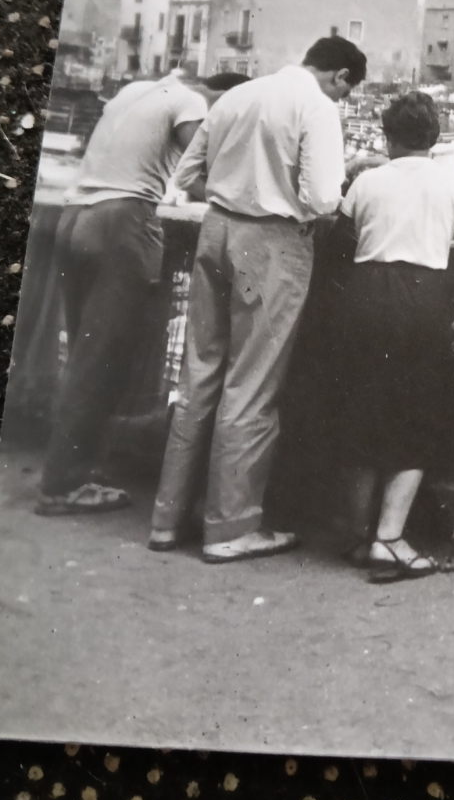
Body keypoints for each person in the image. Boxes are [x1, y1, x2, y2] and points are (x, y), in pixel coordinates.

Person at [148, 36, 367, 563]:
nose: (342, 99)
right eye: (346, 90)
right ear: (339, 77)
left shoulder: (237, 96)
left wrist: (235, 194)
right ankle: (229, 527)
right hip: (269, 247)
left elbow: (186, 176)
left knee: (198, 373)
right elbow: (320, 199)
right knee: (252, 381)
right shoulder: (316, 106)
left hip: (217, 232)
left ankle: (166, 518)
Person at [36, 70, 248, 517]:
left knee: (83, 353)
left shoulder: (137, 91)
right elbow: (195, 174)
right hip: (123, 222)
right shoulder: (193, 103)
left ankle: (80, 466)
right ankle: (63, 483)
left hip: (76, 217)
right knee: (102, 361)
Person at [336, 90, 454, 583]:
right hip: (421, 298)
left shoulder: (368, 180)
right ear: (434, 139)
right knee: (414, 415)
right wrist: (445, 232)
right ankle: (389, 539)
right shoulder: (453, 180)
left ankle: (355, 534)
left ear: (388, 137)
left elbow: (342, 240)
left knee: (362, 412)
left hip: (365, 295)